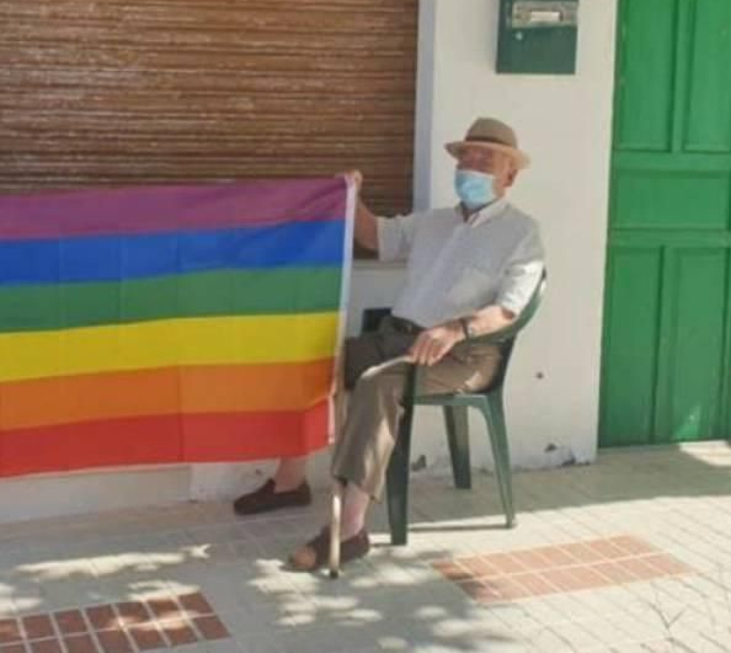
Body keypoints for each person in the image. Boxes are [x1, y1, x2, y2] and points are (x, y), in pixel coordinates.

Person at [233, 117, 544, 570]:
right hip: (398, 338)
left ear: (509, 175)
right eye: (466, 157)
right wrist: (350, 195)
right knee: (314, 363)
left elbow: (509, 310)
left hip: (465, 355)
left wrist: (455, 328)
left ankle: (351, 529)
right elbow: (373, 235)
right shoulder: (433, 223)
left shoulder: (522, 233)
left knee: (379, 384)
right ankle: (289, 482)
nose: (471, 166)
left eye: (485, 159)